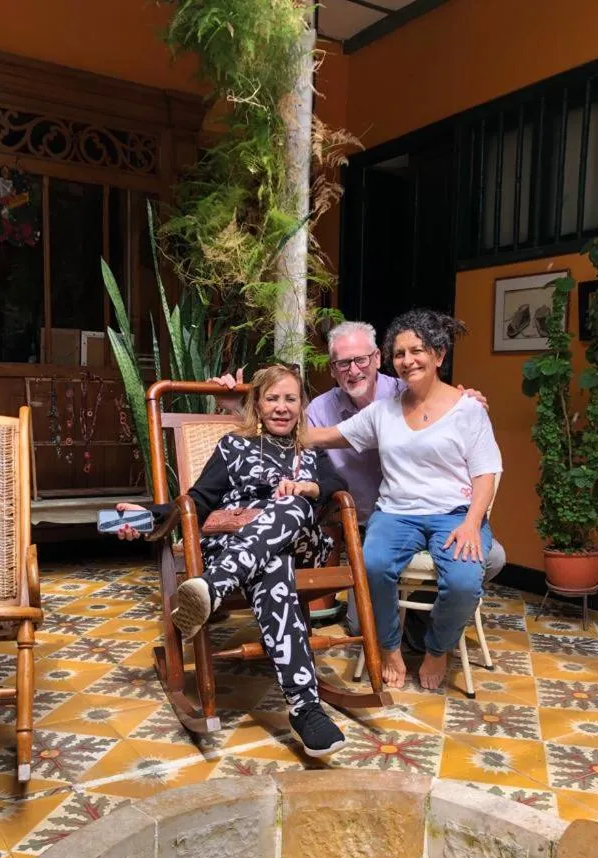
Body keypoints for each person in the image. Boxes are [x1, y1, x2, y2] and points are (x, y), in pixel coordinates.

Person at [214, 320, 506, 642]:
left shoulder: (407, 388)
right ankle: (406, 620)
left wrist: (463, 400)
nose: (353, 370)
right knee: (359, 625)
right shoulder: (328, 409)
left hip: (437, 514)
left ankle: (422, 617)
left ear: (378, 358)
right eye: (343, 363)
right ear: (333, 368)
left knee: (489, 559)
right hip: (375, 522)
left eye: (360, 360)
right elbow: (290, 432)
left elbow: (464, 437)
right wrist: (241, 410)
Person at [117, 364, 348, 760]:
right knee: (273, 568)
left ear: (300, 405)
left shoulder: (310, 449)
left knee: (290, 506)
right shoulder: (233, 446)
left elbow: (337, 488)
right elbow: (197, 501)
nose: (281, 407)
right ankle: (305, 708)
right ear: (256, 404)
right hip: (242, 547)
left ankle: (212, 587)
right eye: (272, 398)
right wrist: (144, 518)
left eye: (290, 399)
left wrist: (310, 487)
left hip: (302, 544)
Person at [305, 309, 503, 692]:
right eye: (400, 353)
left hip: (453, 514)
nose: (408, 360)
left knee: (464, 580)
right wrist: (252, 412)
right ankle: (390, 647)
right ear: (391, 360)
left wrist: (471, 522)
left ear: (439, 355)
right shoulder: (383, 411)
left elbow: (486, 472)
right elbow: (322, 436)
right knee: (373, 566)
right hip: (395, 514)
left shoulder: (468, 410)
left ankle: (436, 649)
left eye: (417, 351)